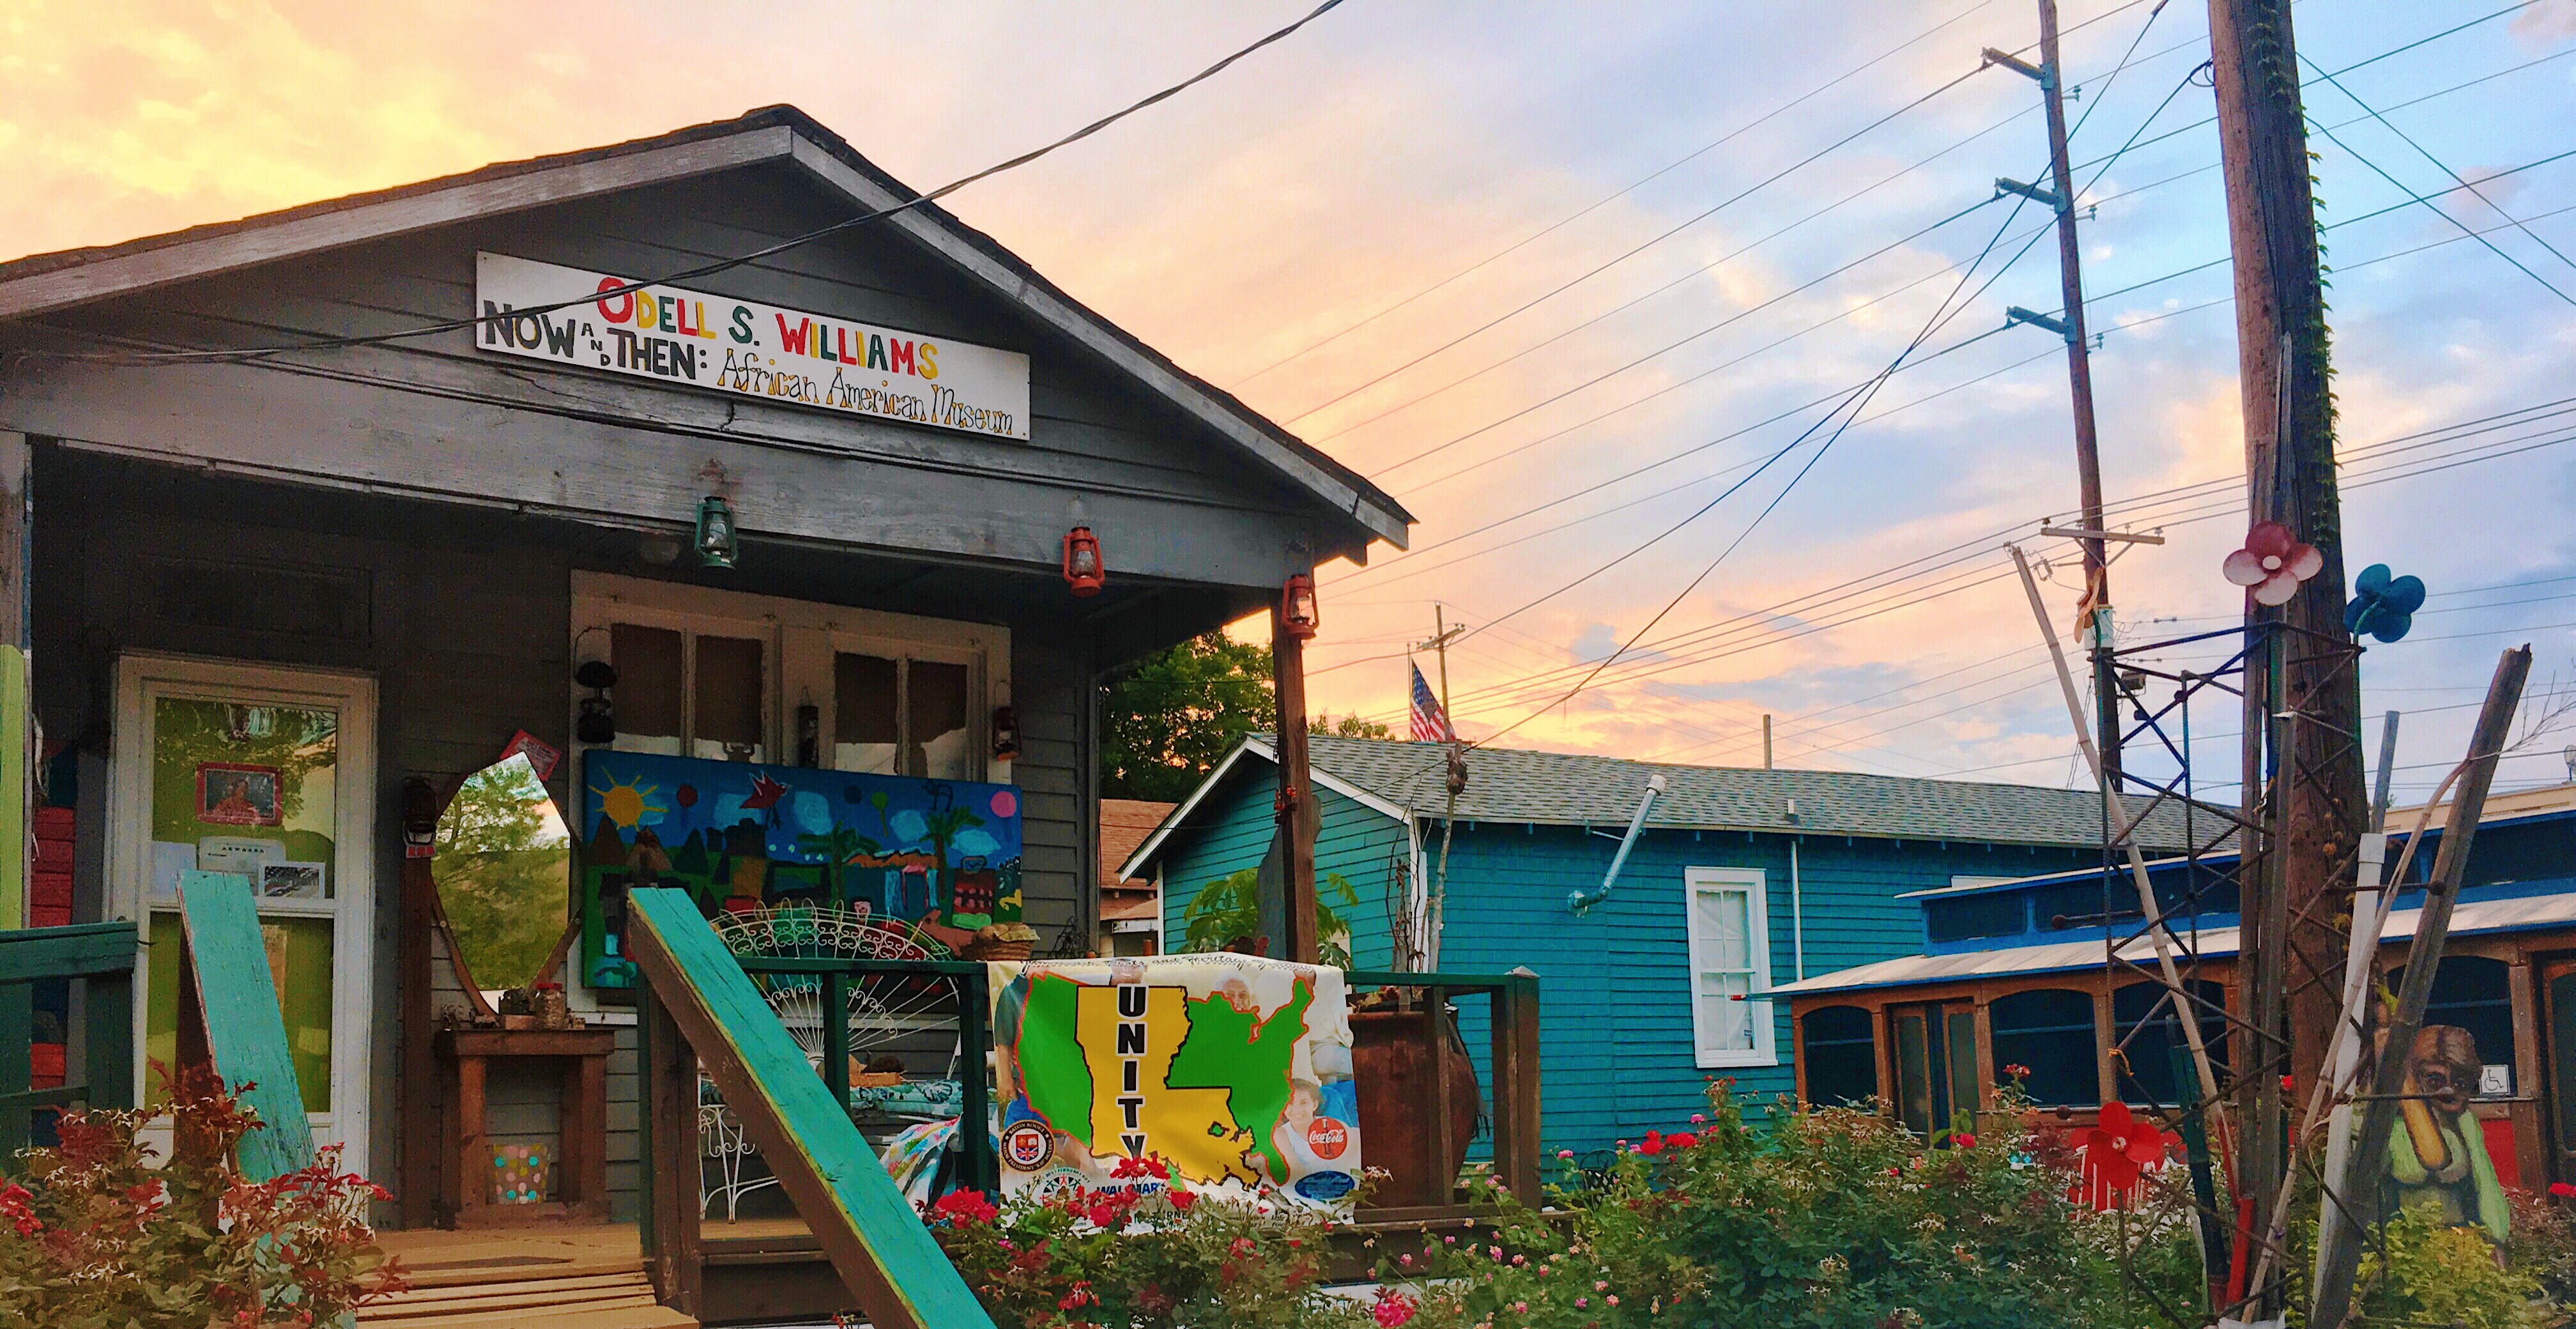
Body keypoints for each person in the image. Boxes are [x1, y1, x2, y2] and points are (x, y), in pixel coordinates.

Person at [2382, 1024, 2508, 1243]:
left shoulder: (2465, 1124)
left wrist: (2495, 1239)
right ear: (2416, 1079)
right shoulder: (2392, 1127)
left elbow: (2487, 1186)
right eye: (2435, 1081)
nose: (2449, 1090)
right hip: (2404, 1242)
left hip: (2462, 1241)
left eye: (2460, 1084)